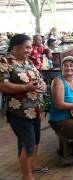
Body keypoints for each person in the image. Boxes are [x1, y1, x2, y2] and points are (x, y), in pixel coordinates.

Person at [0, 34, 47, 180]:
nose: (29, 50)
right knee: (27, 141)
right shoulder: (4, 62)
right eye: (27, 47)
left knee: (36, 139)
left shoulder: (28, 62)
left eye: (30, 47)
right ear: (16, 47)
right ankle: (27, 176)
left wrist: (43, 86)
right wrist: (26, 87)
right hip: (18, 111)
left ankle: (33, 165)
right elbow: (3, 85)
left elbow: (40, 79)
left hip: (35, 108)